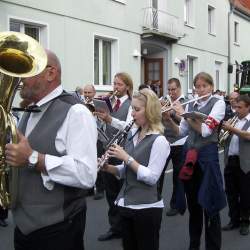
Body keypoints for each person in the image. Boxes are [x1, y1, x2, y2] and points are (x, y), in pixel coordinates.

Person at [5, 49, 97, 250]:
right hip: (23, 226)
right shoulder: (30, 110)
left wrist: (33, 158)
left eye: (28, 70)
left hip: (58, 229)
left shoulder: (77, 112)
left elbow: (87, 174)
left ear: (50, 73)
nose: (21, 78)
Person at [163, 72, 226, 250]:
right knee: (194, 206)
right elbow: (181, 133)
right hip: (190, 157)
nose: (200, 90)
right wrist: (168, 120)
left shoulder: (218, 103)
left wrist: (184, 115)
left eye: (204, 86)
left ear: (211, 87)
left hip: (208, 159)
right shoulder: (192, 103)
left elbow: (206, 131)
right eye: (197, 87)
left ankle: (213, 246)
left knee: (210, 204)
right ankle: (194, 245)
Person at [101, 88, 170, 250]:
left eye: (137, 110)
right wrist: (107, 167)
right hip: (126, 206)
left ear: (151, 111)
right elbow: (127, 171)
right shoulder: (132, 134)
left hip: (146, 209)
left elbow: (152, 177)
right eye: (132, 108)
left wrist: (127, 157)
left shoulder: (160, 141)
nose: (132, 114)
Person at [95, 72, 133, 241]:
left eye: (119, 84)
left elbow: (129, 127)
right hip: (107, 149)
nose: (115, 87)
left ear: (127, 87)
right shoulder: (109, 102)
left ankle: (127, 227)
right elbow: (104, 125)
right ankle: (115, 227)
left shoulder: (132, 104)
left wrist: (109, 119)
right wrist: (100, 119)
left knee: (122, 192)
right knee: (110, 192)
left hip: (122, 151)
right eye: (114, 84)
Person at [221, 94, 250, 236]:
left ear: (248, 107)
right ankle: (234, 220)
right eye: (236, 107)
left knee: (245, 194)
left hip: (245, 162)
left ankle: (245, 221)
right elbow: (224, 137)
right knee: (231, 192)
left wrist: (231, 129)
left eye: (240, 107)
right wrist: (223, 131)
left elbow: (247, 136)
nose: (236, 110)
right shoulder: (233, 120)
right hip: (230, 160)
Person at [161, 78, 187, 216]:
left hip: (180, 142)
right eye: (169, 90)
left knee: (177, 176)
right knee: (158, 174)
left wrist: (172, 113)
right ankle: (155, 202)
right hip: (165, 142)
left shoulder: (185, 101)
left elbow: (185, 122)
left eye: (173, 89)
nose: (171, 92)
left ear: (179, 88)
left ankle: (176, 205)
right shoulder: (164, 100)